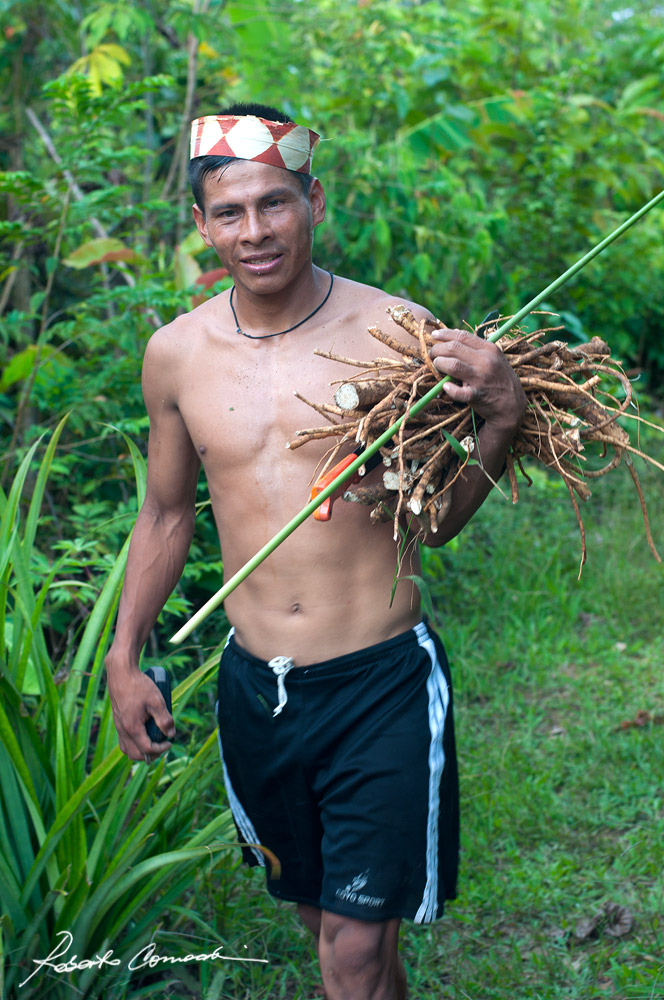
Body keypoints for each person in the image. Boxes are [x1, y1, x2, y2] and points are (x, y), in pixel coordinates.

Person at [106, 101, 526, 1000]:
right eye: (230, 211)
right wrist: (121, 653)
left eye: (274, 204)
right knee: (334, 936)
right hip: (258, 691)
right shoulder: (175, 355)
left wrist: (501, 420)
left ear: (314, 200)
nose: (254, 232)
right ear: (201, 224)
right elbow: (166, 513)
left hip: (378, 684)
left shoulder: (398, 337)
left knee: (351, 957)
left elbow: (438, 521)